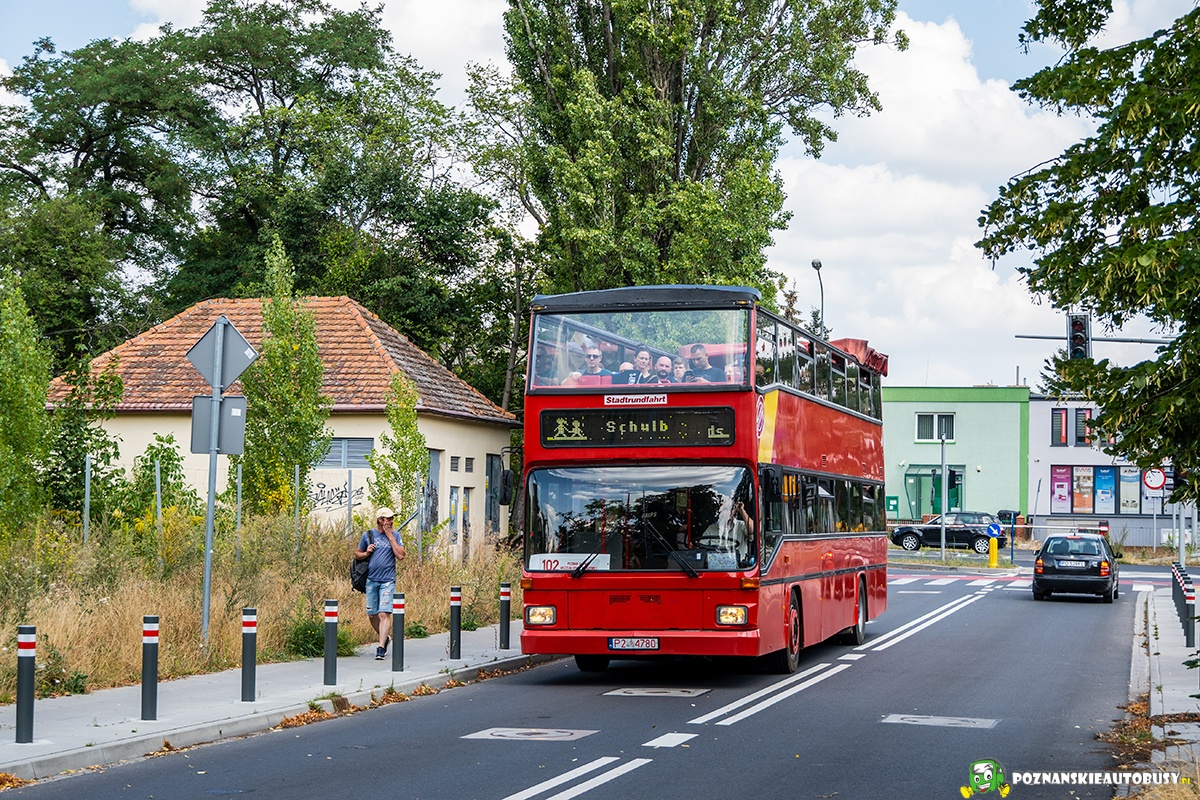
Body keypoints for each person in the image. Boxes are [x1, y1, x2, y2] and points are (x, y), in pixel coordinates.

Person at [354, 507, 406, 660]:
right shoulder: (368, 535)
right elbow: (357, 554)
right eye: (388, 518)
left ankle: (381, 647)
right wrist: (366, 552)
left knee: (384, 613)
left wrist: (390, 537)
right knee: (372, 614)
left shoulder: (396, 535)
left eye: (392, 518)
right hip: (371, 580)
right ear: (380, 520)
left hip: (388, 580)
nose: (391, 521)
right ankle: (385, 637)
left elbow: (401, 555)